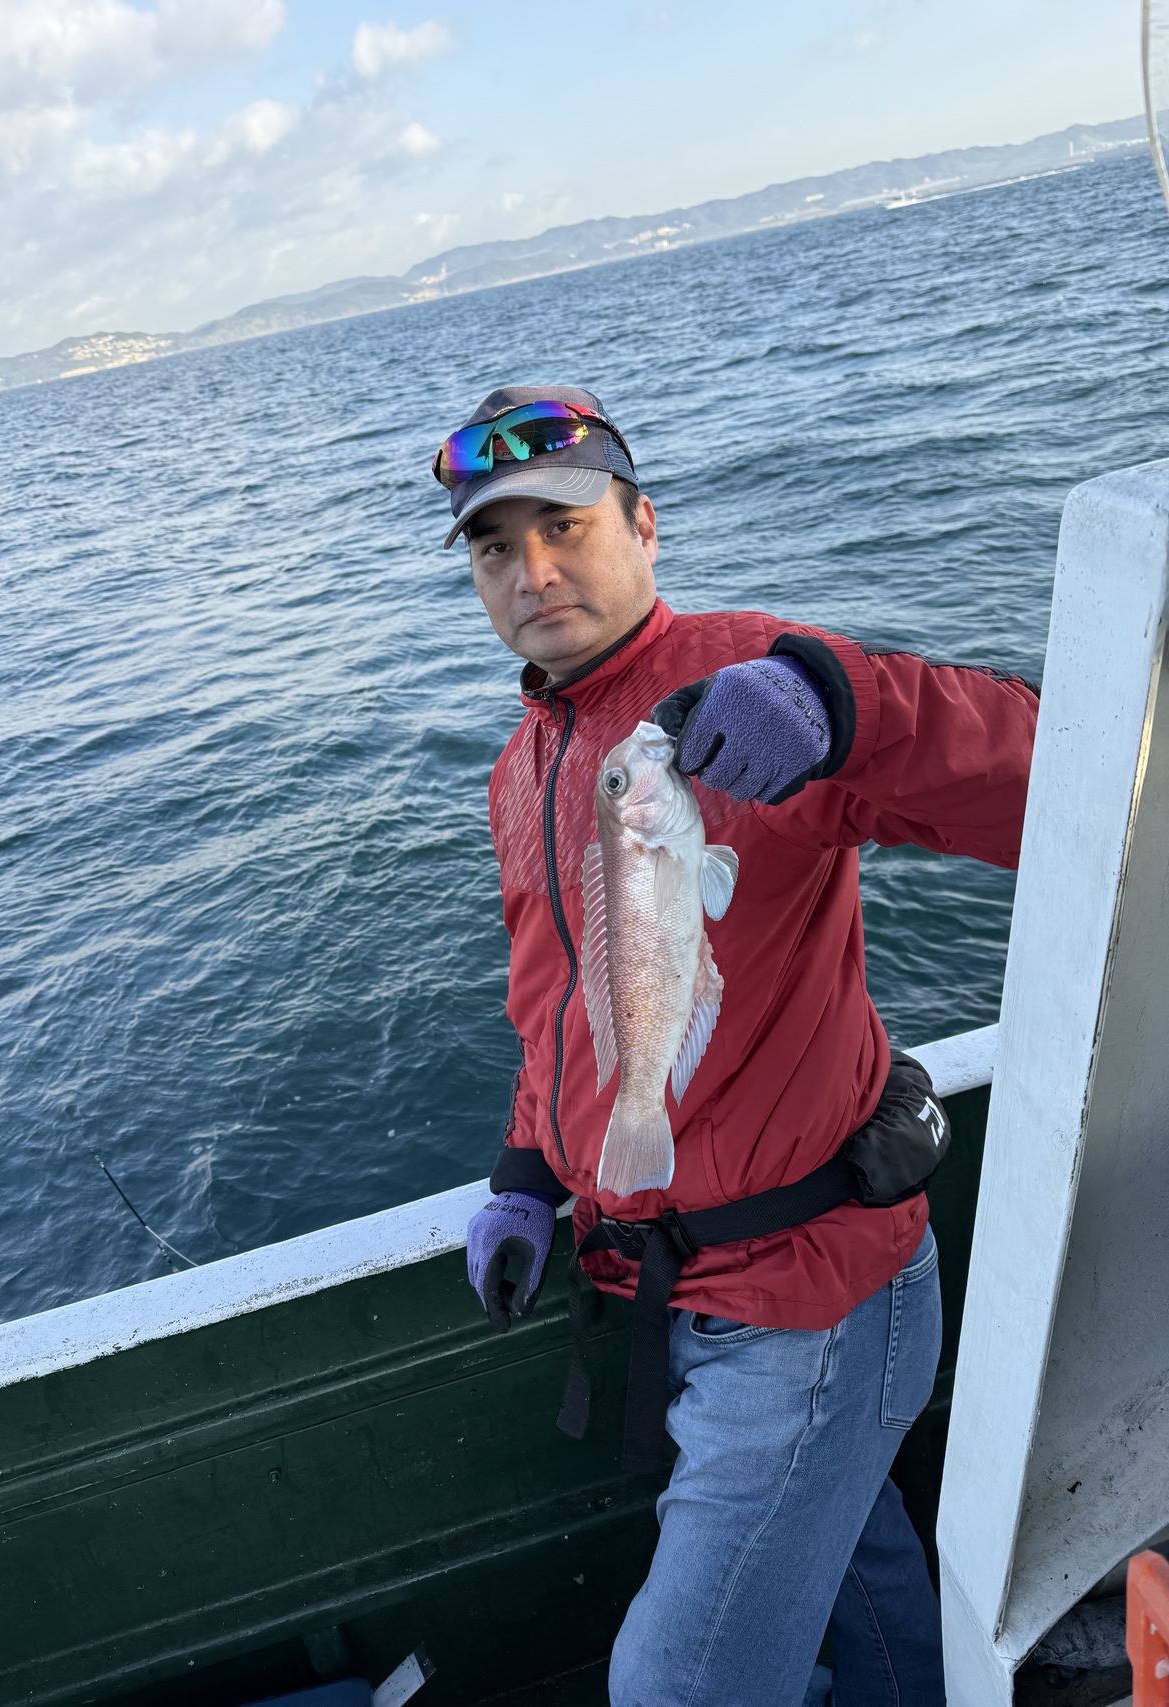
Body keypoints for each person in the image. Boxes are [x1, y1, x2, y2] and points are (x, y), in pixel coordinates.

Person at [439, 384, 1038, 1707]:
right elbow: (561, 1009)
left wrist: (845, 703)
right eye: (495, 547)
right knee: (870, 1592)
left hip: (811, 1296)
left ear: (645, 525)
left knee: (678, 1684)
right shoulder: (522, 765)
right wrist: (528, 1173)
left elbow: (1049, 774)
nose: (533, 573)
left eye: (565, 526)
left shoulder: (759, 677)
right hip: (669, 1292)